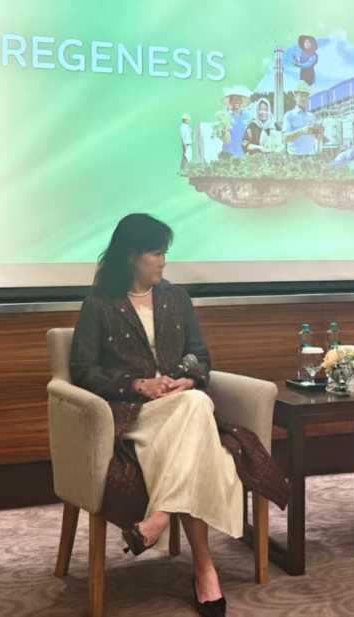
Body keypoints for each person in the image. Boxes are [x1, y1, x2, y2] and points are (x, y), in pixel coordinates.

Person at [70, 213, 237, 615]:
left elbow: (200, 356)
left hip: (180, 406)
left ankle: (159, 519)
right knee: (199, 414)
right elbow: (83, 370)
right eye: (156, 253)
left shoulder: (176, 298)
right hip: (135, 413)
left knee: (195, 401)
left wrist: (187, 379)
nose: (164, 261)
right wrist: (136, 385)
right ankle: (204, 568)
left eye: (165, 253)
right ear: (132, 255)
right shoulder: (99, 304)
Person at [282, 84, 321, 156]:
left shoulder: (312, 116)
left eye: (306, 96)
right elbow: (284, 139)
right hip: (294, 158)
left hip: (311, 157)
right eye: (301, 95)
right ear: (295, 97)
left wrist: (319, 132)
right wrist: (301, 131)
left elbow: (317, 138)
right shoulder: (289, 115)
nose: (304, 98)